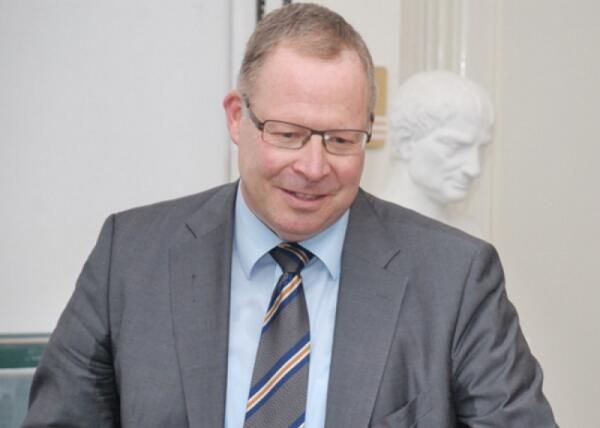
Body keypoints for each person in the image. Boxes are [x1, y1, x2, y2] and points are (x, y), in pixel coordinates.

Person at [24, 4, 557, 427]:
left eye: (341, 140)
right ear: (237, 117)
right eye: (288, 134)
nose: (313, 167)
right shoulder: (130, 256)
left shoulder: (455, 277)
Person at [383, 70, 494, 233]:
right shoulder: (368, 231)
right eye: (455, 146)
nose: (474, 169)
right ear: (405, 142)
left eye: (481, 148)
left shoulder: (470, 233)